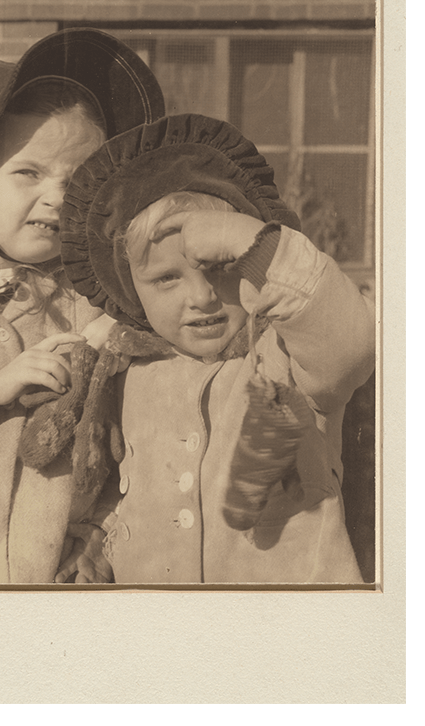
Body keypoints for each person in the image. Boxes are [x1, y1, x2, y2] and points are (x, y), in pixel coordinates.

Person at [0, 28, 165, 586]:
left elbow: (126, 450)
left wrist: (98, 539)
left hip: (46, 586)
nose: (59, 197)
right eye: (29, 172)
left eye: (78, 179)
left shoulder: (101, 309)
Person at [55, 113, 375, 584]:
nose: (202, 297)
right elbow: (131, 486)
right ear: (130, 291)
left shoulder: (288, 357)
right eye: (167, 278)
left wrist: (255, 245)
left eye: (222, 268)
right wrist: (99, 541)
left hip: (284, 630)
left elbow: (350, 344)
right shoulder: (132, 372)